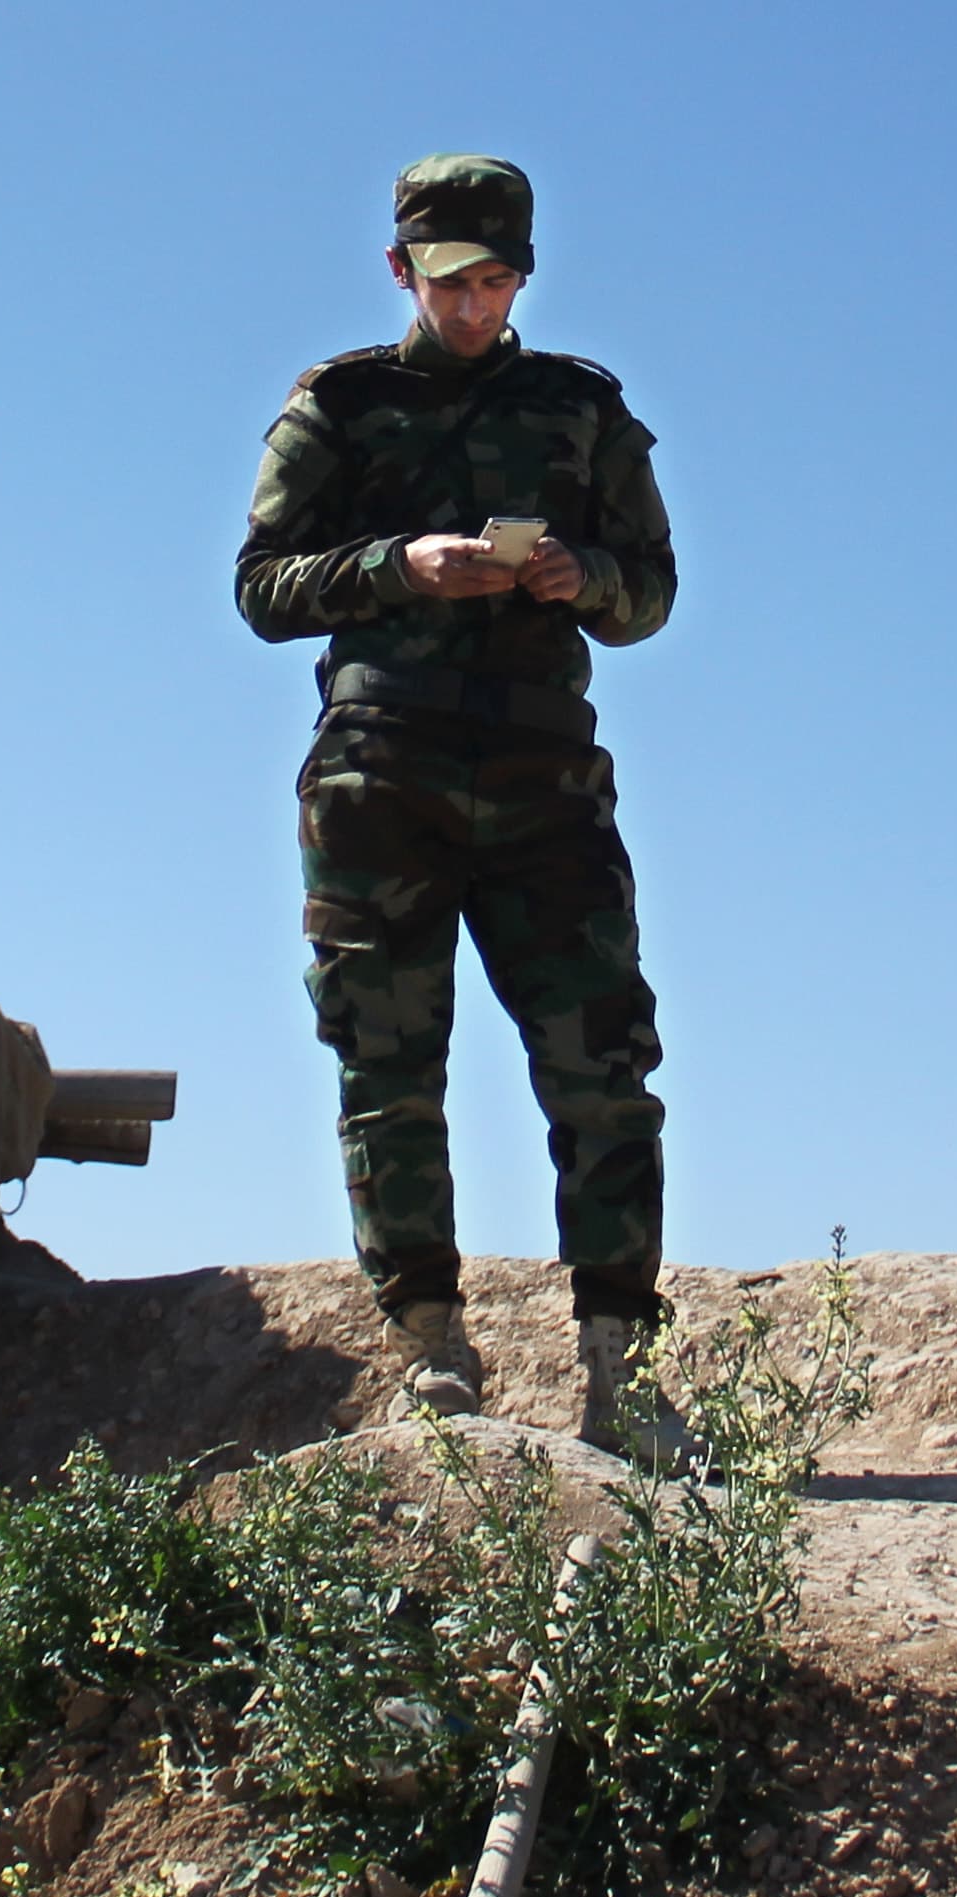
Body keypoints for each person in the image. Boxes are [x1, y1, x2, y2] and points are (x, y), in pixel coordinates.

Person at [234, 153, 695, 1468]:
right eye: (451, 284)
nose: (474, 307)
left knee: (604, 1072)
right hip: (382, 775)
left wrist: (578, 573)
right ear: (401, 270)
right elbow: (261, 587)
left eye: (496, 283)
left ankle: (621, 1371)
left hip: (545, 779)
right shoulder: (339, 403)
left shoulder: (579, 408)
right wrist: (395, 566)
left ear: (524, 275)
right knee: (389, 1074)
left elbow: (653, 591)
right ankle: (430, 1352)